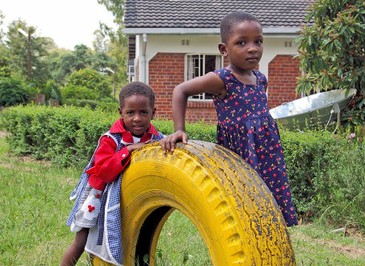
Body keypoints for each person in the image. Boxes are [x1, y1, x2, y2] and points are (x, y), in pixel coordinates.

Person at [160, 11, 298, 227]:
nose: (252, 48)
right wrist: (179, 129)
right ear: (224, 49)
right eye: (241, 43)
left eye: (258, 41)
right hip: (241, 153)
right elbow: (181, 90)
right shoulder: (222, 79)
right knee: (245, 203)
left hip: (267, 152)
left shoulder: (261, 79)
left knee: (270, 202)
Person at [61, 82, 165, 266]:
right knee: (82, 238)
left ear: (153, 113)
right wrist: (129, 150)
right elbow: (103, 170)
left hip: (127, 198)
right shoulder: (110, 139)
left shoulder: (156, 139)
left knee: (122, 235)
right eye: (130, 113)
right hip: (99, 196)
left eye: (144, 112)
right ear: (121, 112)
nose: (137, 118)